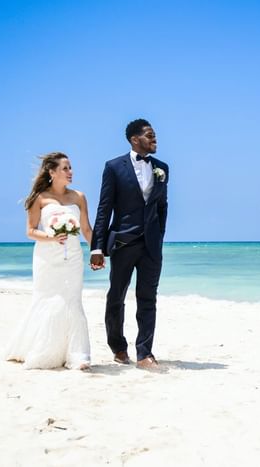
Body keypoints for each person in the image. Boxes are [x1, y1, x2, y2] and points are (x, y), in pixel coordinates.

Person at [90, 118, 169, 371]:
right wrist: (97, 247)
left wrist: (158, 236)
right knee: (117, 296)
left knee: (148, 299)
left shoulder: (162, 168)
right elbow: (105, 208)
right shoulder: (113, 167)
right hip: (123, 242)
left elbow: (162, 206)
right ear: (135, 139)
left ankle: (145, 353)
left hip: (151, 246)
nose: (154, 139)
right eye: (150, 135)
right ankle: (118, 347)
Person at [5, 152, 94, 370]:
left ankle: (77, 355)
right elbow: (30, 231)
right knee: (48, 299)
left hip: (72, 256)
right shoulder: (39, 199)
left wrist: (96, 251)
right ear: (52, 172)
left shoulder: (79, 197)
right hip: (47, 257)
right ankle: (45, 350)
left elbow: (85, 228)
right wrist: (52, 237)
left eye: (71, 167)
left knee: (73, 300)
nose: (70, 172)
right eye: (65, 168)